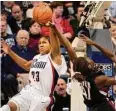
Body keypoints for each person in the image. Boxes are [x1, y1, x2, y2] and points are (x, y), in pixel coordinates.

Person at [0, 24, 67, 111]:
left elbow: (56, 44)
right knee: (8, 107)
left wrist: (51, 27)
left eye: (44, 43)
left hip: (42, 97)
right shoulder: (36, 57)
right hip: (28, 91)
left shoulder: (54, 57)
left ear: (51, 45)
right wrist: (10, 52)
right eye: (40, 43)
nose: (41, 45)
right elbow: (25, 65)